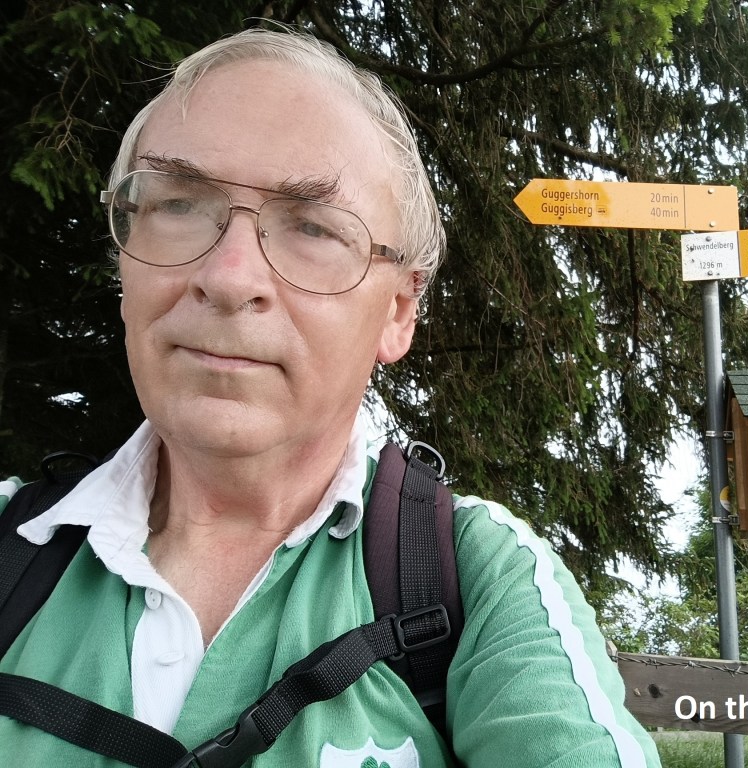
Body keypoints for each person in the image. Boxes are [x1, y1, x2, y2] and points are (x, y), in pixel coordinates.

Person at [0, 27, 661, 767]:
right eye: (179, 204)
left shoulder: (482, 578)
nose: (229, 277)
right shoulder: (10, 548)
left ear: (399, 311)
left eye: (313, 227)